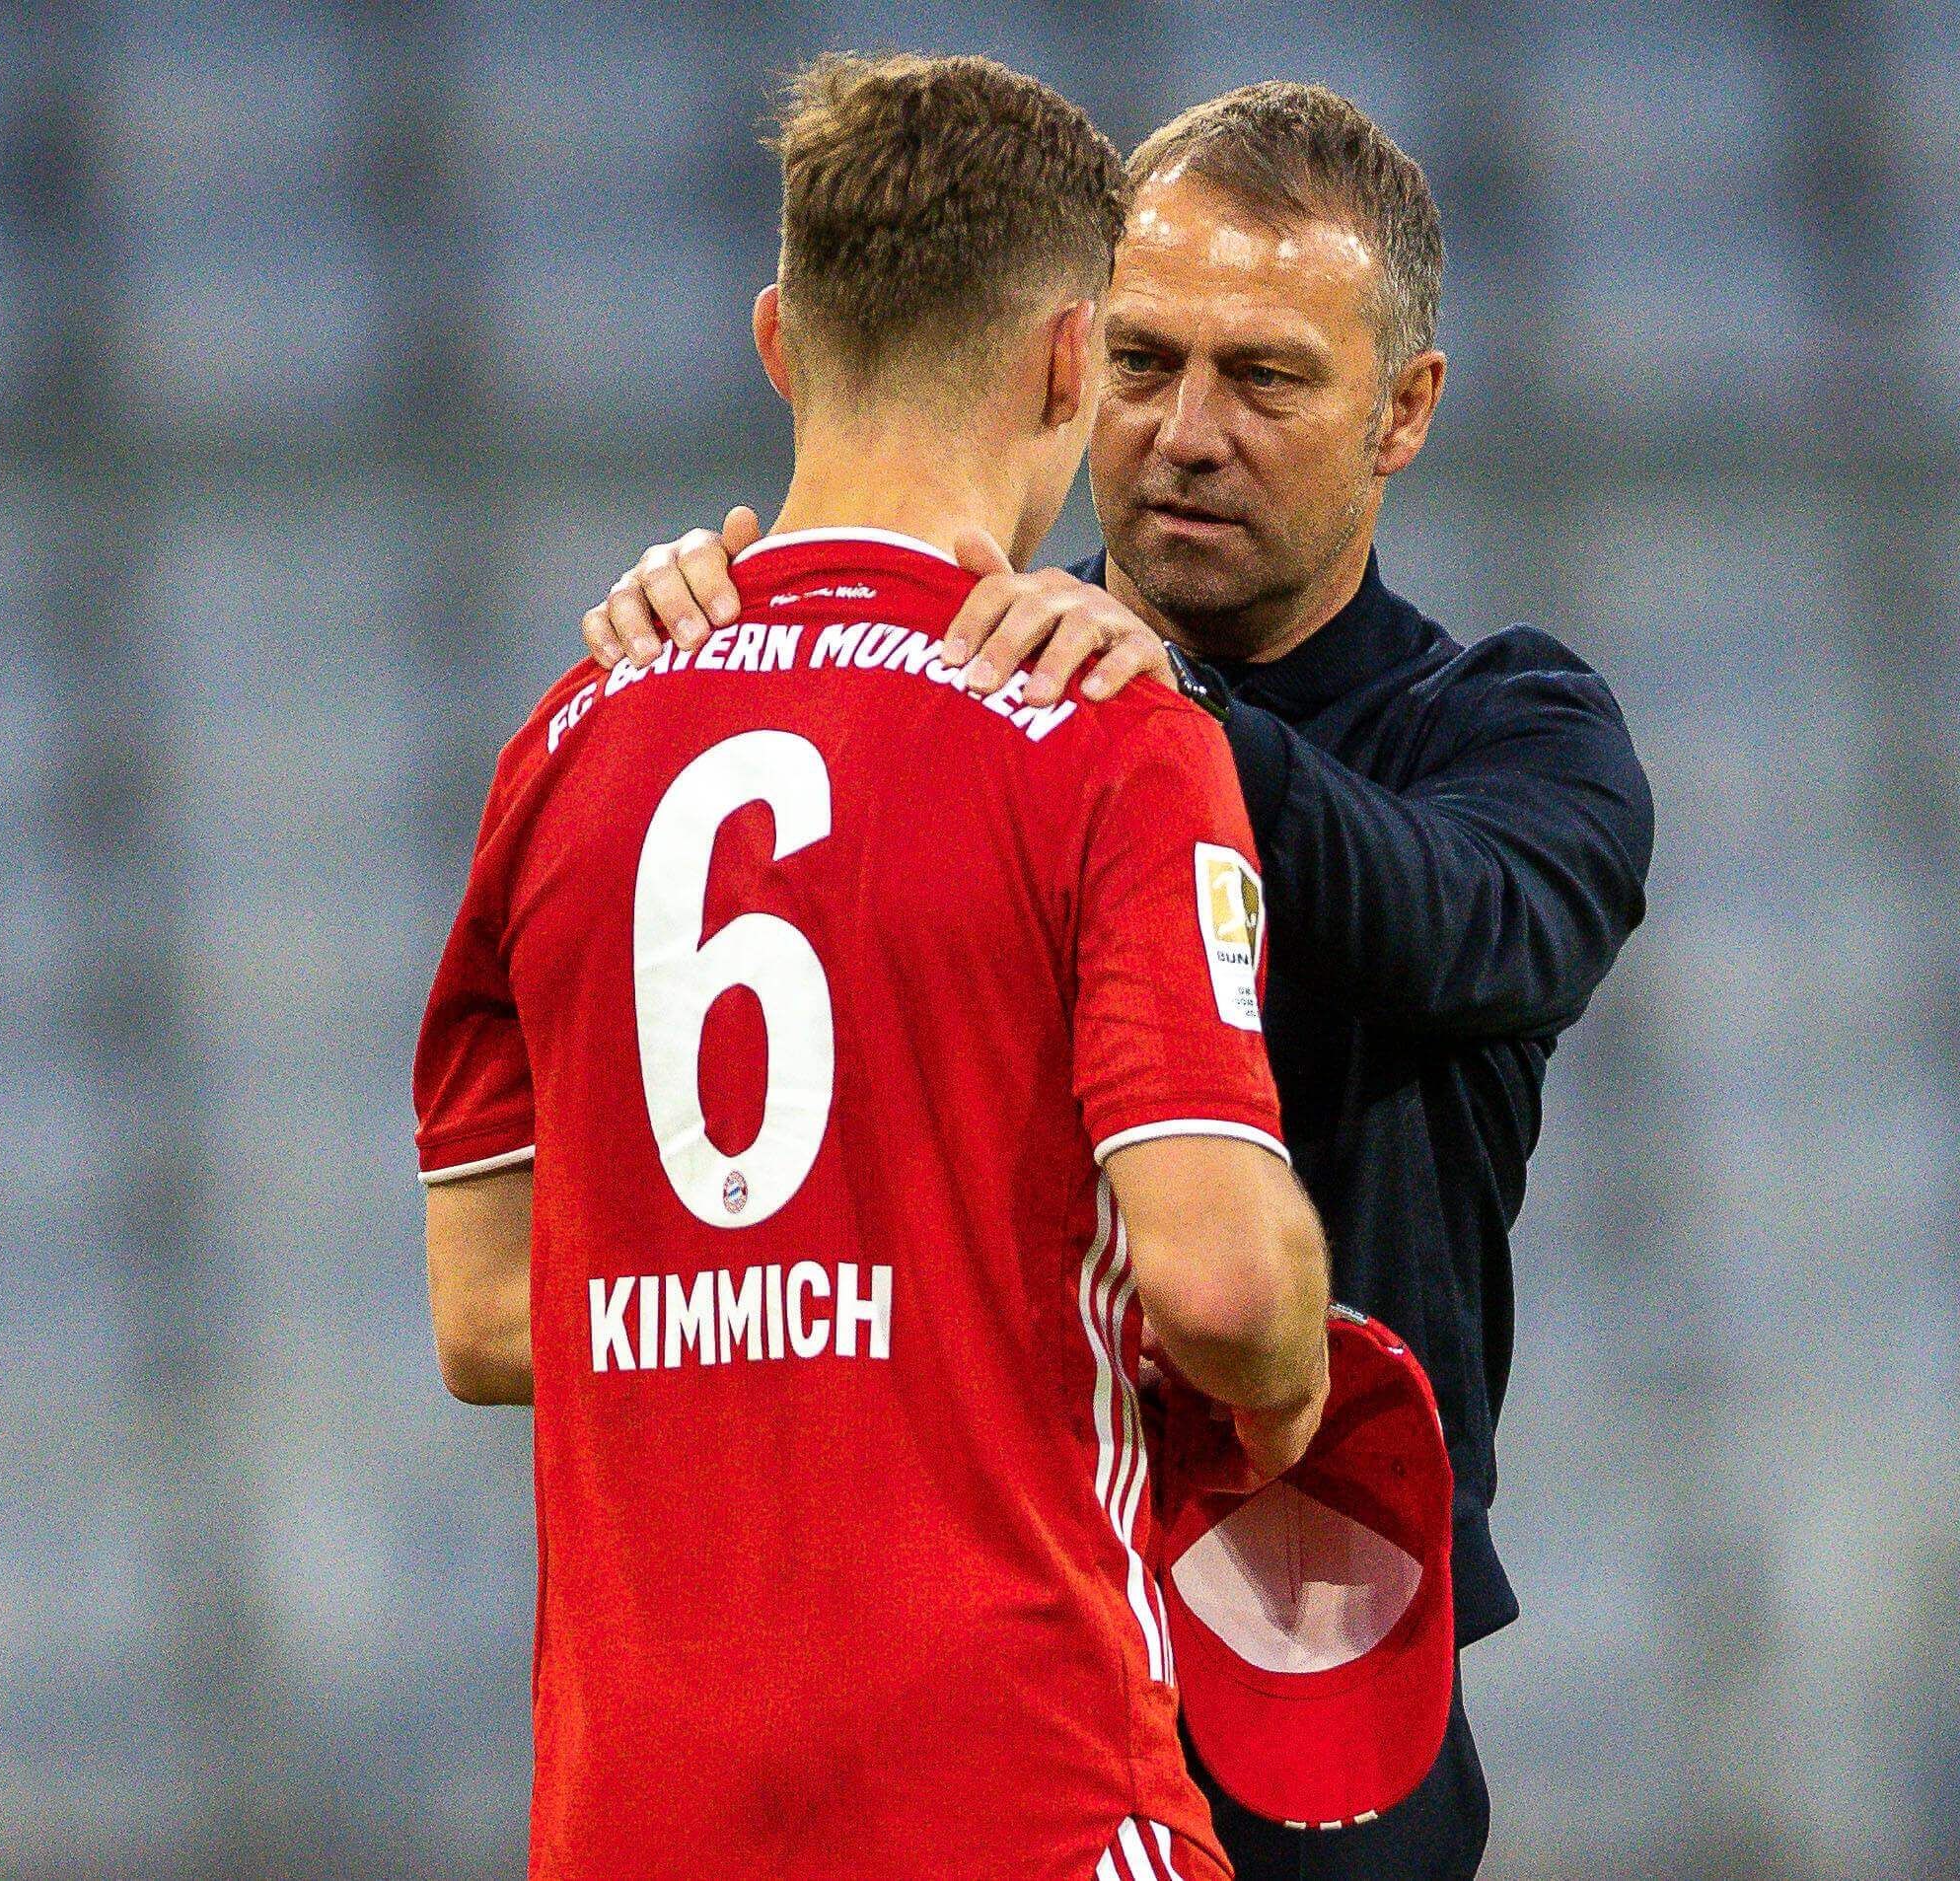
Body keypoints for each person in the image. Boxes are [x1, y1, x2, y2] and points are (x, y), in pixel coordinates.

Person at [583, 83, 1656, 1881]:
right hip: (967, 1635)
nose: (1187, 435)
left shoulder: (1513, 734)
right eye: (1145, 362)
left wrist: (1173, 725)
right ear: (1070, 365)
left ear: (1406, 411)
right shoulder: (957, 684)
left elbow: (1455, 917)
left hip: (1304, 1665)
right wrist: (723, 665)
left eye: (1268, 379)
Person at [416, 55, 1331, 1881]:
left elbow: (493, 1314)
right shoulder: (1097, 731)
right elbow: (1223, 1289)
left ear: (778, 336)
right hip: (1016, 1796)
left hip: (638, 1820)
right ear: (1075, 362)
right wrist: (1291, 1386)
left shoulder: (573, 733)